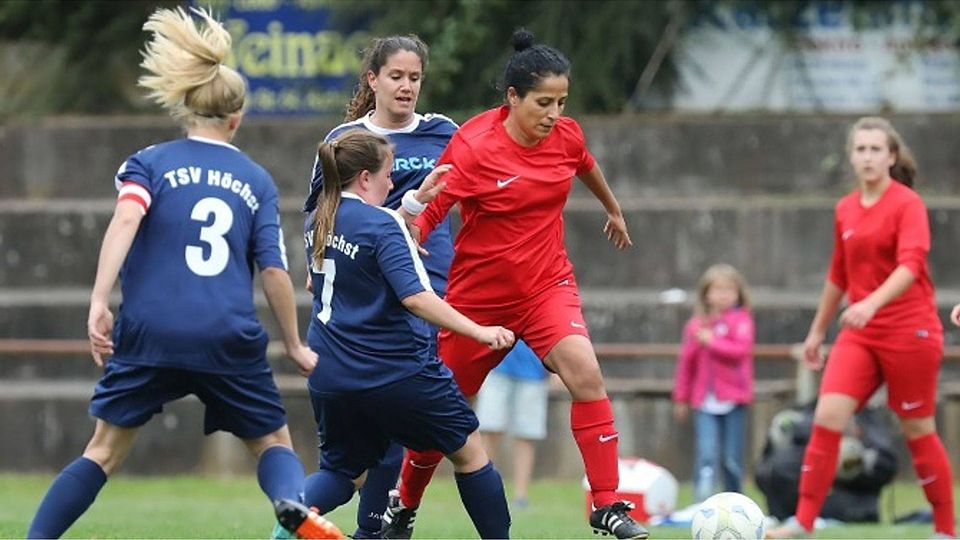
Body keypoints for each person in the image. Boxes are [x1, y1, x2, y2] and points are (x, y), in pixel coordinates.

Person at [25, 7, 339, 539]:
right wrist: (293, 341)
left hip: (151, 330)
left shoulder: (149, 162)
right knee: (274, 445)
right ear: (236, 119)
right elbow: (273, 271)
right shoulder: (255, 179)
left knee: (101, 451)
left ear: (186, 109)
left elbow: (126, 218)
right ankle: (289, 504)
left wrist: (98, 300)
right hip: (226, 334)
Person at [389, 28, 647, 540]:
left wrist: (613, 210)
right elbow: (430, 209)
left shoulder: (566, 135)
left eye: (561, 102)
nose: (554, 114)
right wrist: (411, 233)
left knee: (586, 373)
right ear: (512, 98)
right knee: (443, 415)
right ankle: (405, 504)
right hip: (477, 303)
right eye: (543, 103)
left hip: (547, 287)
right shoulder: (474, 146)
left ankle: (607, 504)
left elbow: (585, 166)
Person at [299, 129, 514, 539]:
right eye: (387, 175)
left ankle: (294, 505)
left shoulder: (319, 219)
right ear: (365, 177)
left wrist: (419, 200)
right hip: (393, 369)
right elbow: (416, 297)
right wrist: (479, 331)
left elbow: (370, 230)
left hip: (329, 372)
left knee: (343, 472)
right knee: (469, 451)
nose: (392, 183)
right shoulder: (381, 225)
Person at [300, 35, 458, 539]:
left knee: (389, 440)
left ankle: (362, 527)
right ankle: (375, 532)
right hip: (371, 302)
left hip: (427, 295)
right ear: (373, 80)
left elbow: (475, 196)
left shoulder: (444, 133)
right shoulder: (346, 138)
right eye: (396, 76)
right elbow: (319, 215)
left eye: (415, 78)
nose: (406, 86)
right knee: (387, 435)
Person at [767, 117, 955, 538]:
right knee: (827, 416)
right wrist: (817, 332)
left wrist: (870, 303)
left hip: (910, 330)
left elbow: (911, 265)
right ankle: (803, 521)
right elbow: (838, 275)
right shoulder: (845, 208)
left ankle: (946, 529)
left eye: (876, 149)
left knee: (917, 428)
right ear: (851, 156)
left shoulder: (908, 204)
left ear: (891, 157)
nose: (867, 156)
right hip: (861, 333)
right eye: (860, 149)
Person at [671, 263, 755, 503]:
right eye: (718, 289)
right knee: (706, 454)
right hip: (704, 401)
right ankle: (702, 503)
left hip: (734, 399)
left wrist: (713, 341)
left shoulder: (742, 321)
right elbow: (686, 365)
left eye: (729, 289)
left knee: (732, 457)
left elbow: (740, 350)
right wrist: (681, 398)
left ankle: (736, 502)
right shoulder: (696, 326)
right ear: (706, 294)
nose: (723, 295)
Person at [476, 340, 551, 509]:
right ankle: (482, 491)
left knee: (526, 436)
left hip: (534, 372)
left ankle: (521, 496)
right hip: (496, 367)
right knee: (491, 431)